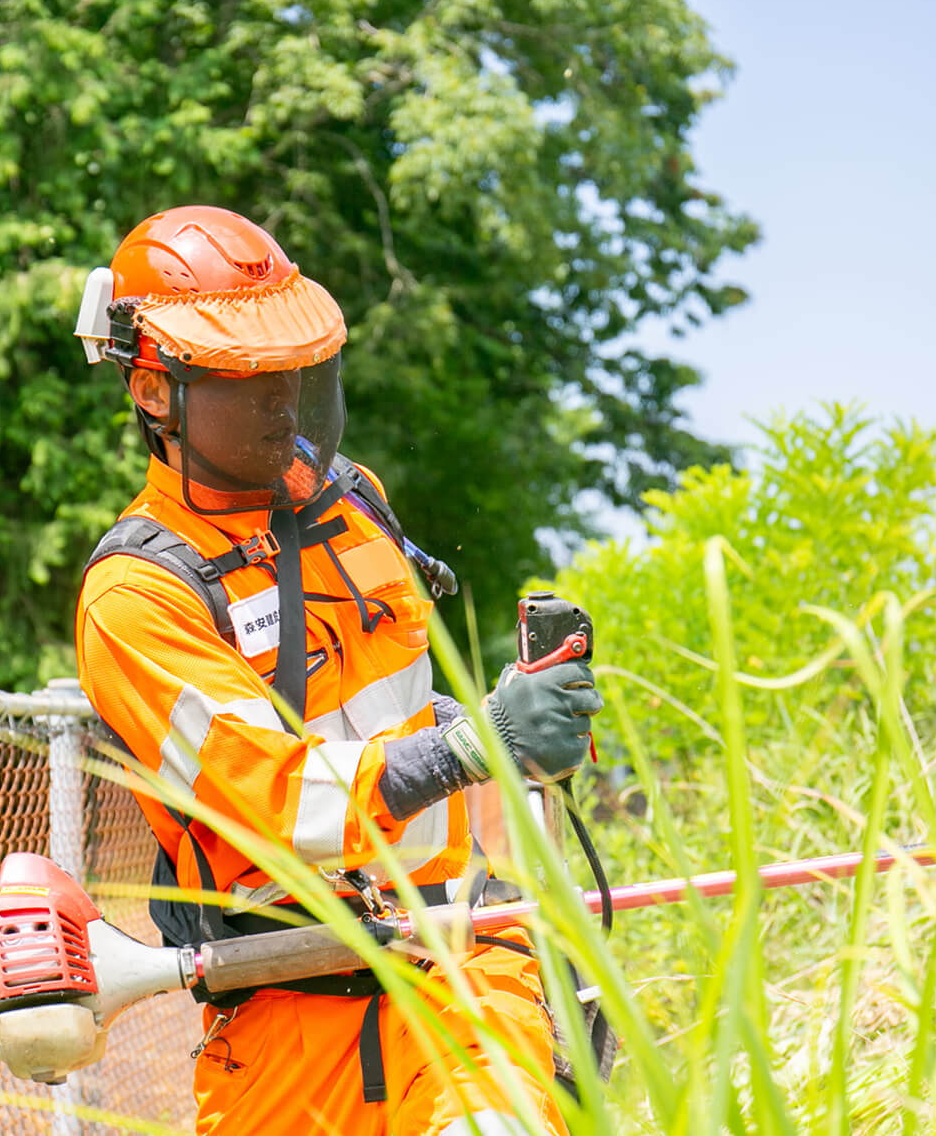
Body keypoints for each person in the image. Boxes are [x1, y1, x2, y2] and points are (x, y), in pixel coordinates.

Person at [72, 205, 603, 1135]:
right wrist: (469, 749)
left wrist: (514, 743)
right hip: (282, 1013)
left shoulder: (358, 507)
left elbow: (396, 709)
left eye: (295, 372)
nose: (284, 400)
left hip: (465, 970)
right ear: (156, 391)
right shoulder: (137, 596)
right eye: (250, 379)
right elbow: (274, 801)